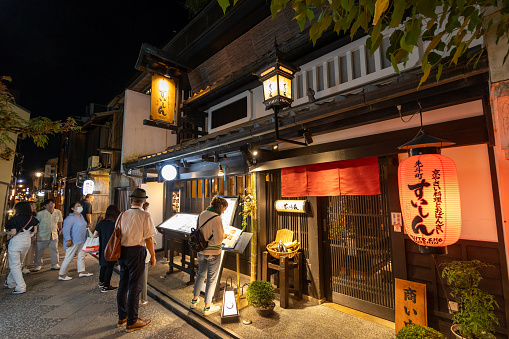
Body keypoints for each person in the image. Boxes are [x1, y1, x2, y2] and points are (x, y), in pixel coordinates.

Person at [116, 188, 156, 333]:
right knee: (135, 286)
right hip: (137, 251)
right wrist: (153, 255)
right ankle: (132, 321)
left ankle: (122, 317)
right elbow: (149, 238)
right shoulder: (145, 215)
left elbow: (117, 233)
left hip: (123, 251)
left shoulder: (123, 214)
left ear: (131, 200)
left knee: (123, 283)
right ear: (144, 201)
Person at [191, 196, 228, 316]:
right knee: (212, 279)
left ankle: (194, 301)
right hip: (213, 252)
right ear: (221, 206)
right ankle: (207, 307)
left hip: (201, 250)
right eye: (224, 209)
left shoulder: (202, 214)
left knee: (200, 274)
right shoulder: (217, 218)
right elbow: (218, 240)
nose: (224, 211)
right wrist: (224, 236)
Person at [3, 202, 39, 294]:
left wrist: (4, 233)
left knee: (14, 265)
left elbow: (13, 232)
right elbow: (34, 231)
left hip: (16, 242)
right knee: (19, 263)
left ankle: (21, 286)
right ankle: (11, 282)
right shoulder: (33, 219)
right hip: (27, 242)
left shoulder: (14, 219)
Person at [58, 201, 93, 280]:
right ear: (72, 208)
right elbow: (66, 230)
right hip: (73, 240)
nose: (80, 207)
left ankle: (82, 271)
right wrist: (68, 239)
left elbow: (81, 226)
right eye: (77, 206)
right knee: (68, 257)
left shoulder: (81, 216)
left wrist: (87, 225)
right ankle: (62, 274)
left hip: (82, 239)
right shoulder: (70, 218)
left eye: (80, 205)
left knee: (81, 255)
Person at [93, 204, 120, 292]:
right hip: (112, 248)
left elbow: (94, 235)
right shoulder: (116, 224)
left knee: (103, 265)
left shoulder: (102, 222)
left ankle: (101, 282)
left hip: (102, 247)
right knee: (110, 266)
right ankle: (106, 286)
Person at [33, 199, 62, 271]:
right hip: (42, 235)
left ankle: (55, 264)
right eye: (49, 204)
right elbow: (35, 225)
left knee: (54, 250)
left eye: (52, 203)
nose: (51, 205)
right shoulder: (40, 214)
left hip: (54, 234)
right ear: (45, 206)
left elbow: (60, 221)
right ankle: (38, 264)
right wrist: (34, 235)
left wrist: (60, 229)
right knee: (39, 251)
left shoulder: (58, 212)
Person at [21, 201, 38, 274]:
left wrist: (34, 236)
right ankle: (22, 266)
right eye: (32, 206)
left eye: (35, 206)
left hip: (29, 236)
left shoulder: (33, 216)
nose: (34, 208)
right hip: (24, 237)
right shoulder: (29, 217)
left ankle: (25, 266)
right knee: (23, 252)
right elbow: (34, 229)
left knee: (28, 252)